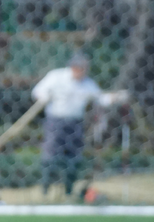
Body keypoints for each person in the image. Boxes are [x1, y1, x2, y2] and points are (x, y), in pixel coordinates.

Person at [32, 53, 127, 198]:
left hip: (75, 123)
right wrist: (43, 96)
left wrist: (117, 97)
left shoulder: (88, 84)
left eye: (84, 68)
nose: (82, 71)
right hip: (55, 121)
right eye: (80, 68)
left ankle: (68, 191)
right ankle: (45, 190)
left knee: (73, 158)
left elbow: (101, 99)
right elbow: (37, 91)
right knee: (50, 155)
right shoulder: (56, 76)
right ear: (72, 67)